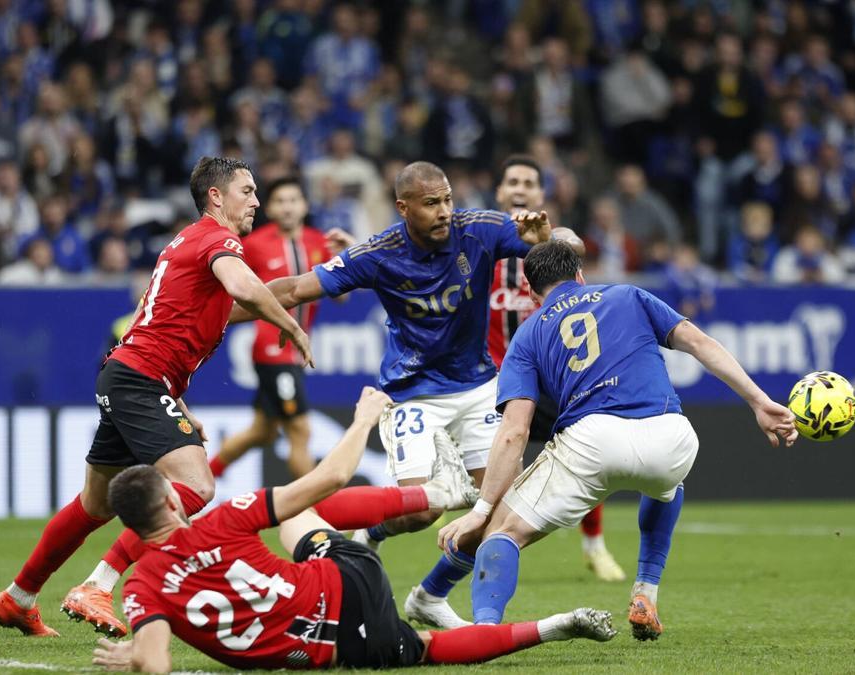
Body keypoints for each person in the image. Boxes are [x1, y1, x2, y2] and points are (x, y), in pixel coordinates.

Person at [0, 157, 313, 638]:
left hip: (130, 377)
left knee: (94, 506)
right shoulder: (217, 241)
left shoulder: (192, 248)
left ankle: (17, 598)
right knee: (197, 486)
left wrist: (347, 271)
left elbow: (269, 291)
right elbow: (249, 287)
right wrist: (290, 327)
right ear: (216, 197)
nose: (257, 202)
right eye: (248, 191)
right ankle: (97, 585)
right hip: (138, 380)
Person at [229, 161, 552, 628]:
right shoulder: (379, 253)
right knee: (425, 510)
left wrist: (545, 236)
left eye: (447, 200)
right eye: (430, 203)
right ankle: (373, 529)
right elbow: (298, 288)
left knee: (498, 511)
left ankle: (431, 596)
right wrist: (214, 317)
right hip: (412, 392)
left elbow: (557, 250)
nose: (444, 211)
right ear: (403, 208)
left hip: (479, 386)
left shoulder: (479, 228)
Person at [89, 387, 616, 672]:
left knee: (426, 649)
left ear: (133, 528)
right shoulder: (225, 518)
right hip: (346, 578)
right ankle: (436, 496)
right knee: (297, 512)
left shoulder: (141, 589)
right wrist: (365, 419)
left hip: (336, 650)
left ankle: (555, 625)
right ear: (171, 501)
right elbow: (331, 477)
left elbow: (155, 665)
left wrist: (136, 658)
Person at [438, 241, 797, 641]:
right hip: (671, 435)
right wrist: (760, 402)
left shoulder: (527, 334)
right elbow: (700, 344)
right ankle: (646, 592)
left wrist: (482, 508)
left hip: (592, 441)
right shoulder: (628, 294)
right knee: (667, 486)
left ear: (532, 291)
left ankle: (485, 630)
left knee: (502, 533)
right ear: (579, 274)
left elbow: (515, 432)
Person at [487, 155, 624, 582]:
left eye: (530, 182)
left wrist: (554, 237)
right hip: (490, 375)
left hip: (550, 377)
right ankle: (488, 534)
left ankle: (594, 545)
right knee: (495, 462)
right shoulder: (480, 244)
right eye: (513, 181)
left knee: (589, 448)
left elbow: (573, 242)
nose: (521, 188)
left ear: (541, 195)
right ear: (499, 191)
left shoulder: (553, 247)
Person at [208, 177, 337, 480]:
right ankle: (309, 512)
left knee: (262, 432)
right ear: (270, 207)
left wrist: (347, 251)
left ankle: (200, 481)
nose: (288, 207)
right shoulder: (253, 244)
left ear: (304, 205)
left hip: (296, 350)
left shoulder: (319, 242)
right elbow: (230, 287)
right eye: (280, 201)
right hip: (272, 350)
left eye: (294, 200)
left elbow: (341, 295)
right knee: (300, 430)